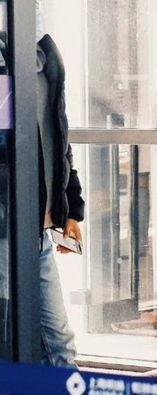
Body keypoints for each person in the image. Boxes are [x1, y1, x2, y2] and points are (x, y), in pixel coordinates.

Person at [37, 33, 85, 367]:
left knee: (59, 340)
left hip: (37, 231)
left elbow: (60, 144)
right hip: (8, 229)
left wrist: (70, 209)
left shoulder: (47, 62)